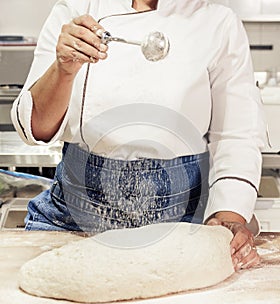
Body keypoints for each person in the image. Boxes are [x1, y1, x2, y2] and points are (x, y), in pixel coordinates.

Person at [11, 0, 267, 271]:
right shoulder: (77, 9)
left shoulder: (218, 23)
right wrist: (64, 69)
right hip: (71, 220)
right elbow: (36, 129)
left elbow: (235, 136)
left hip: (181, 227)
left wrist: (226, 219)